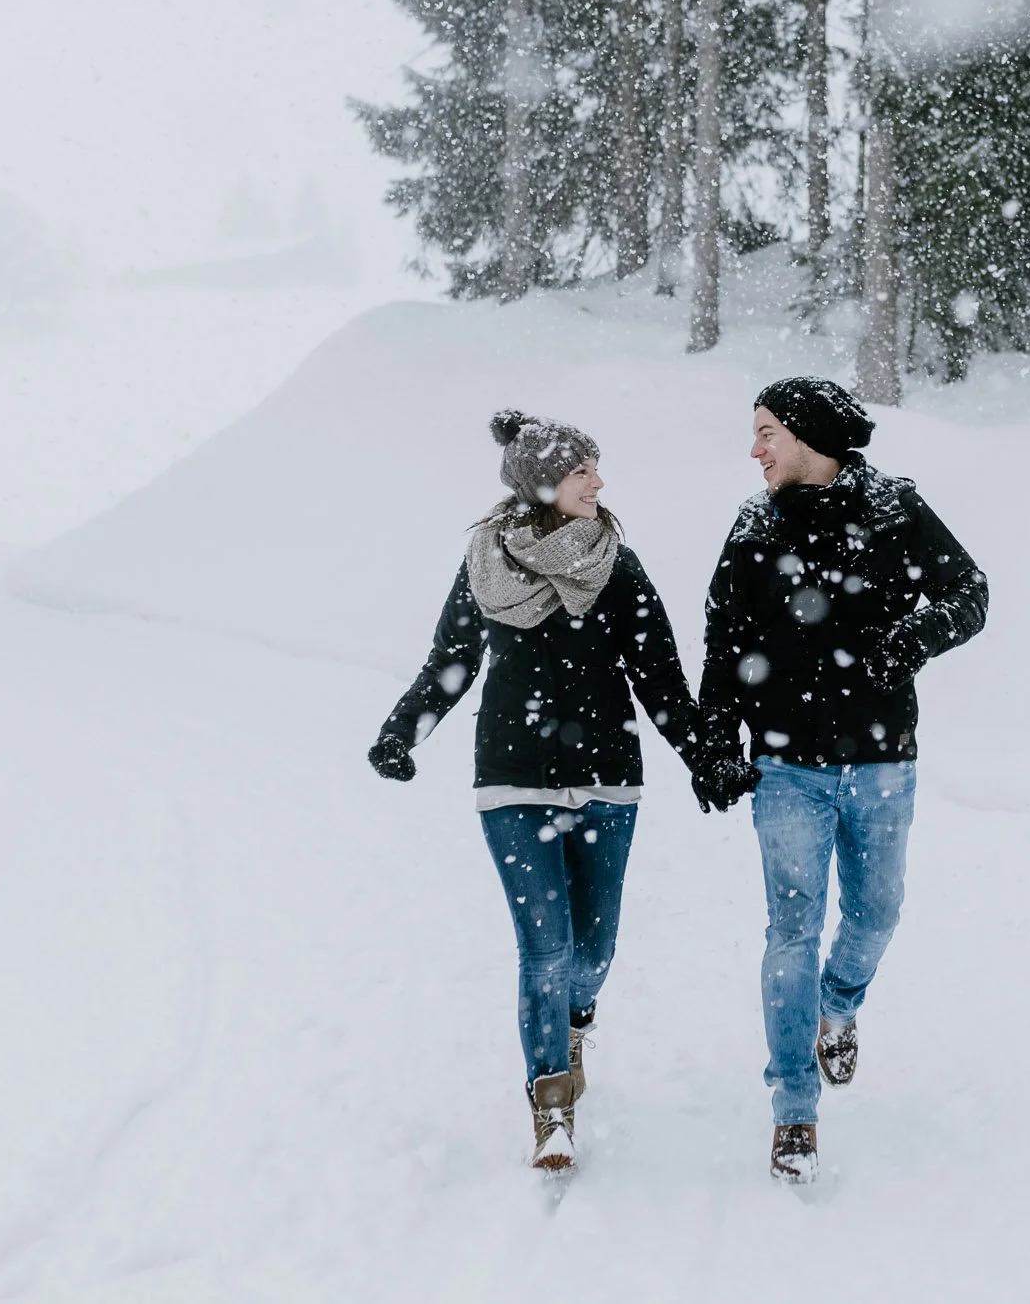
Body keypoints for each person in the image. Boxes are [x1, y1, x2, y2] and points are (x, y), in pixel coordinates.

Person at [368, 410, 755, 1174]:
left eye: (596, 470)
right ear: (544, 481)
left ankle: (574, 1023)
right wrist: (401, 733)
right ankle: (551, 1103)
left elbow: (662, 681)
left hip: (608, 779)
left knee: (592, 951)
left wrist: (706, 758)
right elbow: (451, 662)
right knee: (544, 948)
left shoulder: (619, 564)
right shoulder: (485, 563)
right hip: (512, 780)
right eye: (584, 472)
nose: (600, 483)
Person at [698, 377, 988, 1183]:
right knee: (790, 931)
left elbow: (970, 593)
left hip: (883, 759)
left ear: (808, 435)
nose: (754, 450)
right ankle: (794, 1110)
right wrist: (717, 742)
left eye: (766, 433)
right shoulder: (756, 525)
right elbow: (723, 643)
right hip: (787, 766)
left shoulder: (895, 509)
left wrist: (911, 638)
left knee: (878, 913)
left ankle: (842, 1005)